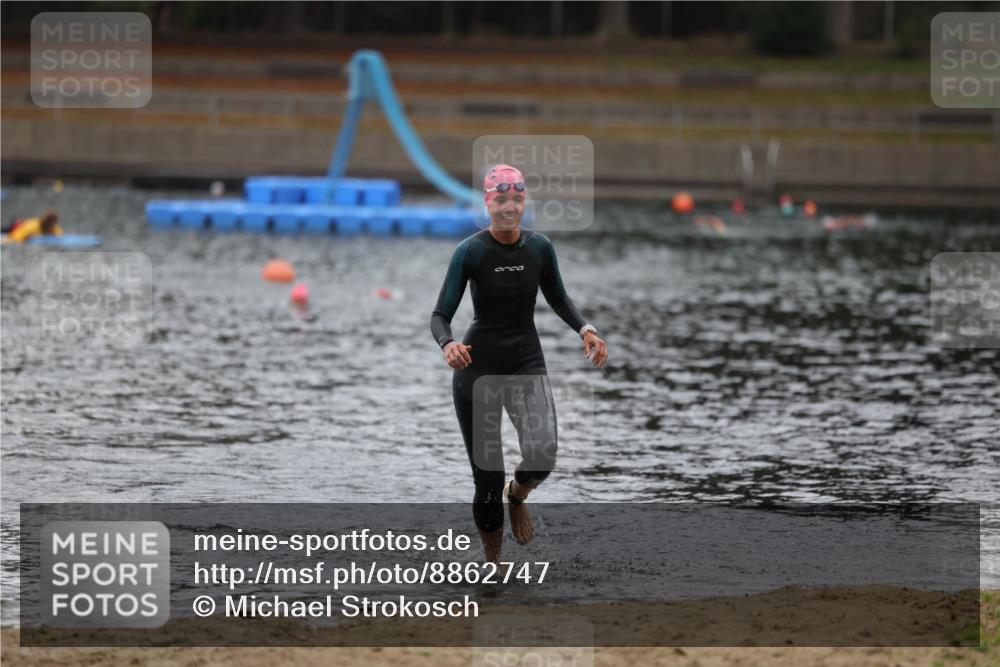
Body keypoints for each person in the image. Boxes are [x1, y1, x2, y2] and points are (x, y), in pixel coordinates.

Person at [430, 164, 608, 563]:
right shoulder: (471, 252)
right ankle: (493, 565)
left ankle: (519, 494)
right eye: (501, 199)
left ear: (524, 201)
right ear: (488, 203)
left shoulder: (539, 247)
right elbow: (440, 314)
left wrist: (586, 330)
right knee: (486, 479)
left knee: (543, 452)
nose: (510, 207)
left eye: (517, 198)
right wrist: (448, 345)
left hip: (525, 359)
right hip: (477, 370)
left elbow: (559, 298)